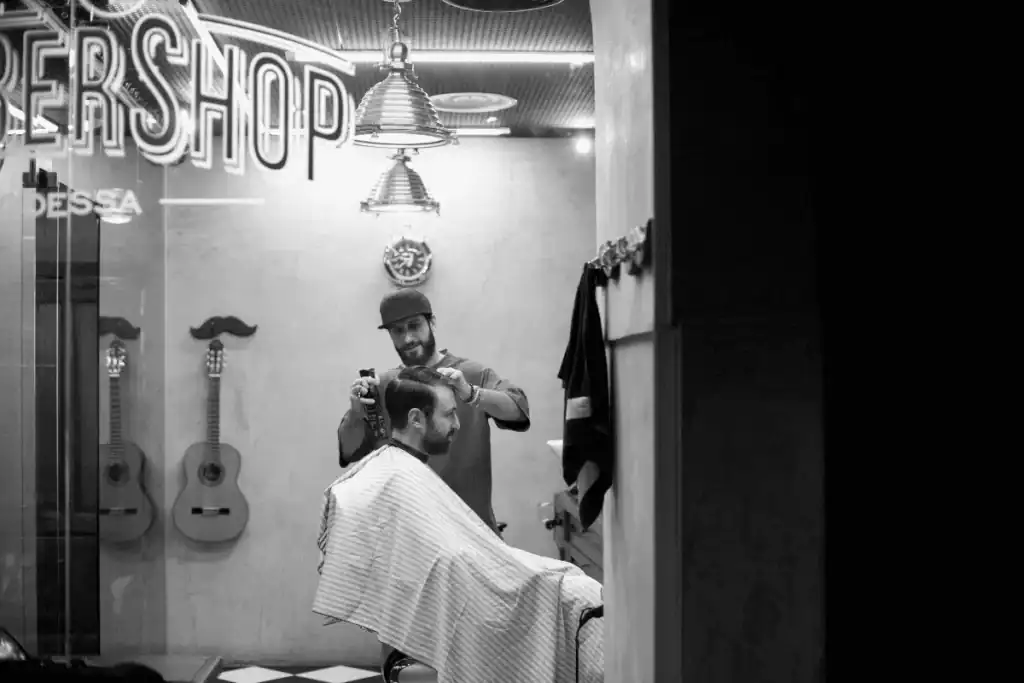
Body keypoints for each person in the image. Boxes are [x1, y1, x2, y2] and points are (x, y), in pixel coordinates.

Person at [337, 289, 530, 535]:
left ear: (431, 323)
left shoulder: (471, 375)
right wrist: (356, 411)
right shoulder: (384, 386)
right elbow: (348, 451)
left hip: (472, 532)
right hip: (409, 537)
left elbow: (519, 410)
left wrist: (471, 394)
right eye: (397, 331)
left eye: (414, 326)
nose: (408, 338)